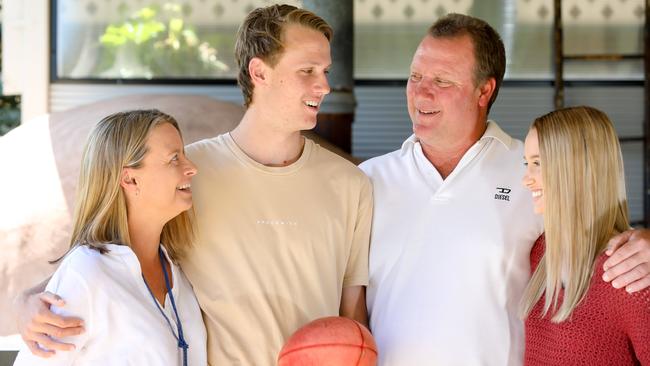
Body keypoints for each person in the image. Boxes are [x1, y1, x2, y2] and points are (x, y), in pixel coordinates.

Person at [16, 5, 372, 365]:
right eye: (307, 71)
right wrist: (28, 302)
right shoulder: (185, 176)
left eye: (324, 71)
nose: (325, 85)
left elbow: (353, 312)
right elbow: (110, 259)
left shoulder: (350, 184)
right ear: (259, 72)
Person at [359, 13, 650, 365]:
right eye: (415, 76)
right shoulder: (366, 181)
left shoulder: (534, 174)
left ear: (485, 90)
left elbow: (599, 236)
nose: (421, 91)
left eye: (442, 80)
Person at [13, 110, 206, 365]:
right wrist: (22, 302)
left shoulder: (178, 270)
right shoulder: (85, 272)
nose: (191, 168)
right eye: (174, 158)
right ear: (130, 178)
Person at [520, 106, 650, 365]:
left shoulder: (629, 277)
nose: (526, 179)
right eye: (527, 163)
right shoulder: (540, 252)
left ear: (575, 168)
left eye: (537, 163)